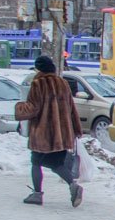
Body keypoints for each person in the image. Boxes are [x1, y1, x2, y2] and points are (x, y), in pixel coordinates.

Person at [14, 54, 84, 207]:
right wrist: (76, 129)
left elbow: (33, 108)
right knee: (56, 163)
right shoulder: (62, 83)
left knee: (36, 161)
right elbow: (72, 109)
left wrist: (19, 107)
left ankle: (37, 194)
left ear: (39, 68)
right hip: (61, 133)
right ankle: (73, 185)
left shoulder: (38, 84)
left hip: (43, 133)